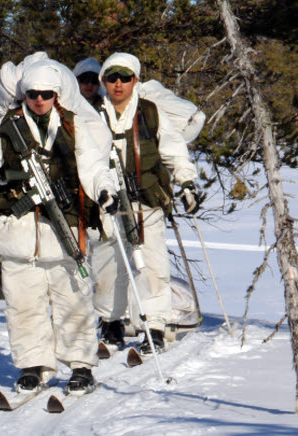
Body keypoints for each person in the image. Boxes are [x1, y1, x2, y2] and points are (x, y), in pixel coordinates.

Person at [0, 59, 117, 395]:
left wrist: (107, 192)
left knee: (73, 301)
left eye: (46, 94)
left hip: (63, 230)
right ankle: (33, 365)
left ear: (56, 95)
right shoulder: (5, 126)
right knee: (23, 303)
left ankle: (80, 366)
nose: (39, 100)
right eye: (33, 93)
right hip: (18, 234)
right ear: (24, 94)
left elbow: (93, 168)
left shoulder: (73, 127)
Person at [87, 52, 203, 355]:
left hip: (145, 199)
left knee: (152, 264)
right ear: (104, 81)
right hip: (106, 201)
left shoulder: (150, 112)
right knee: (107, 264)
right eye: (112, 78)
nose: (118, 84)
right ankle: (111, 323)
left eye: (125, 77)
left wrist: (186, 181)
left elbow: (173, 148)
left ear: (135, 80)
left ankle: (155, 326)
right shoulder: (92, 114)